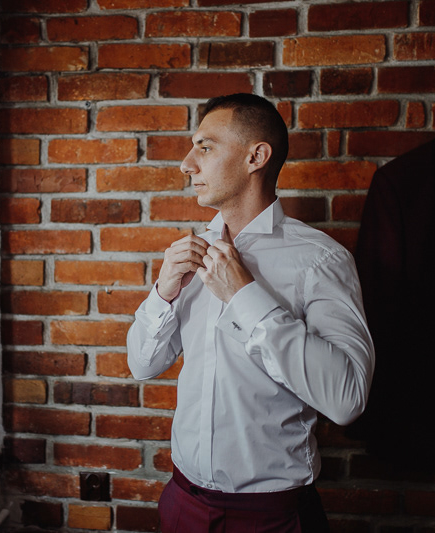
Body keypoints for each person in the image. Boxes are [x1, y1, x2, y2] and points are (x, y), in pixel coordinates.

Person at [126, 93, 375, 532]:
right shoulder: (193, 254)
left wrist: (245, 296)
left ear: (256, 157)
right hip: (182, 501)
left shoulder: (320, 260)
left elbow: (348, 399)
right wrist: (163, 293)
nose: (186, 164)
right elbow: (143, 365)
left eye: (205, 147)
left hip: (271, 515)